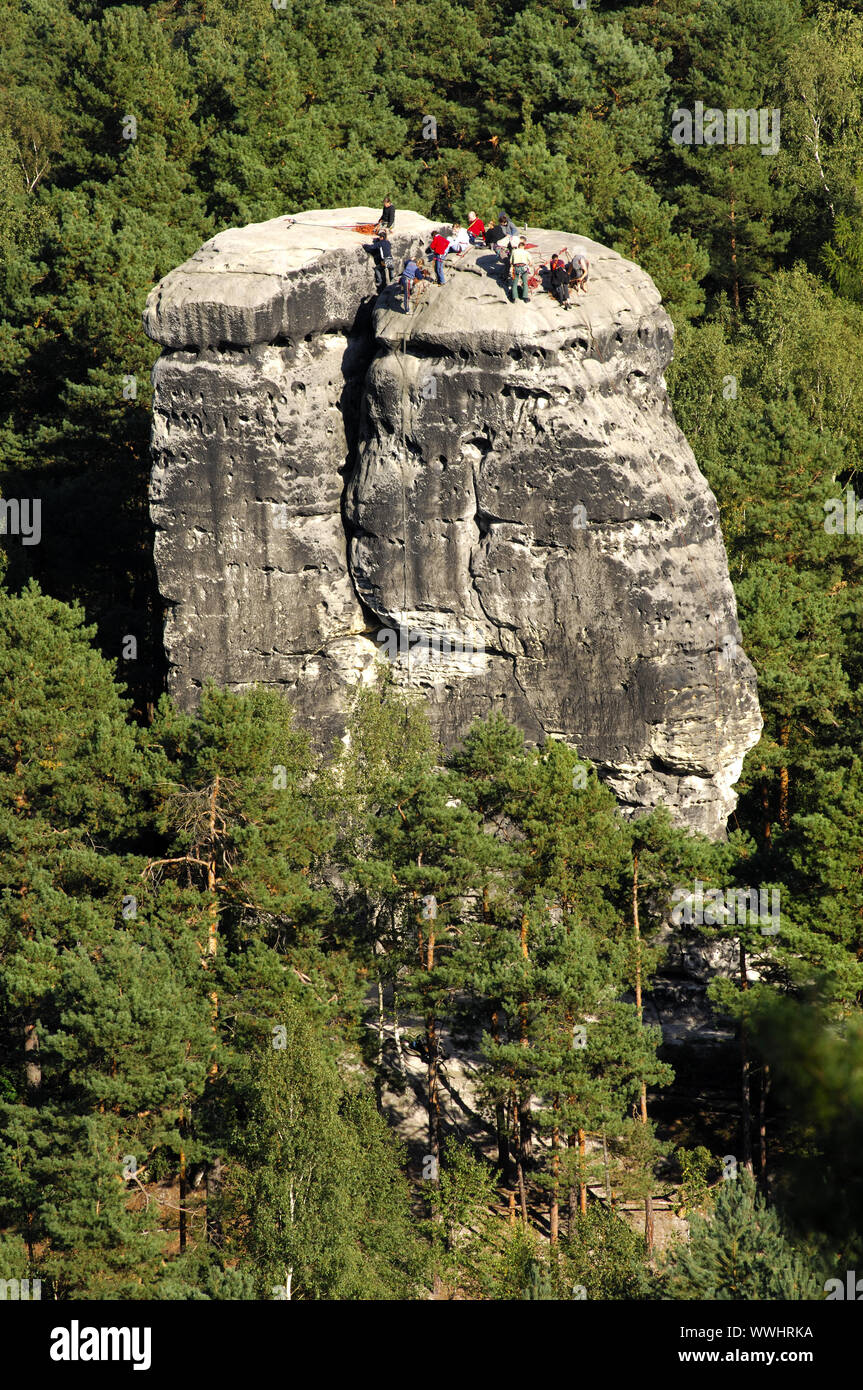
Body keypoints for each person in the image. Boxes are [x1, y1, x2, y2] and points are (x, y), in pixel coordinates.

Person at [509, 237, 532, 303]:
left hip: (516, 267)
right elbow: (530, 262)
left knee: (515, 282)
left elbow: (511, 261)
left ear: (518, 246)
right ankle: (525, 297)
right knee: (525, 282)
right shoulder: (526, 252)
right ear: (523, 246)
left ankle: (514, 297)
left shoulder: (514, 251)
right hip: (524, 267)